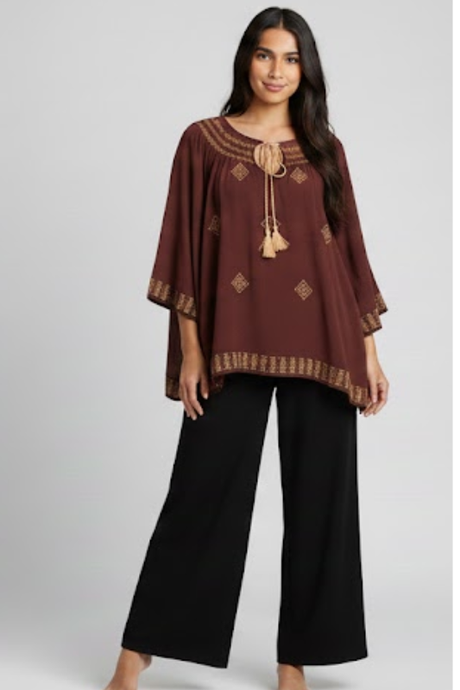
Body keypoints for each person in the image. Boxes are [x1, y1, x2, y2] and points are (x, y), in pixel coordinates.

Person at [103, 7, 390, 690]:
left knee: (321, 502)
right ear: (246, 60)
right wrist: (191, 349)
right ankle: (137, 653)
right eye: (265, 55)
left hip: (325, 345)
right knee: (201, 493)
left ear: (306, 70)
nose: (276, 71)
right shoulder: (203, 141)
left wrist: (370, 352)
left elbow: (349, 253)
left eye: (291, 59)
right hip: (229, 344)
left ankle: (295, 663)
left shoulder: (325, 149)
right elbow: (182, 245)